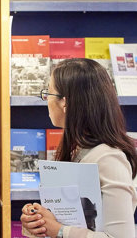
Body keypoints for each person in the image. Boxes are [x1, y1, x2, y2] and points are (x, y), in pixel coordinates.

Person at [21, 58, 137, 238]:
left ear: (65, 102)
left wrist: (59, 230)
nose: (46, 101)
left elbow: (121, 236)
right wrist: (40, 222)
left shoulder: (109, 158)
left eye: (48, 94)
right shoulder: (78, 150)